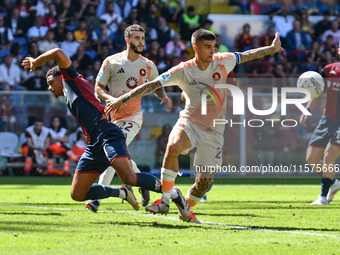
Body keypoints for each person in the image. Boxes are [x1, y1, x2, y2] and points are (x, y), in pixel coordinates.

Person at [105, 29, 282, 221]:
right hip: (189, 122)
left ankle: (186, 207)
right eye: (207, 47)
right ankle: (164, 201)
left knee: (203, 184)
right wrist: (122, 99)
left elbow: (248, 55)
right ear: (195, 48)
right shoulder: (184, 69)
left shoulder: (224, 60)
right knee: (173, 146)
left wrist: (272, 49)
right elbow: (153, 84)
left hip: (214, 131)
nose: (212, 51)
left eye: (213, 46)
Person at [22, 48, 191, 218]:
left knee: (129, 177)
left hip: (107, 133)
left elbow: (58, 52)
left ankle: (173, 193)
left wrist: (36, 62)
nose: (50, 88)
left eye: (51, 82)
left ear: (61, 75)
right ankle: (122, 194)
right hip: (94, 142)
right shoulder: (68, 92)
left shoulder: (71, 79)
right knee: (78, 193)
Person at [85, 24, 172, 213]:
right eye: (137, 38)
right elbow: (98, 88)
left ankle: (96, 200)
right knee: (117, 155)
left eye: (143, 38)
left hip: (133, 117)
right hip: (112, 118)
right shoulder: (111, 61)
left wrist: (163, 96)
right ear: (127, 40)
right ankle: (142, 181)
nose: (141, 41)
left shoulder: (148, 65)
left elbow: (156, 85)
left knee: (113, 154)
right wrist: (112, 99)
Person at [300, 43, 340, 205]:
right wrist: (307, 109)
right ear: (338, 50)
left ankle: (323, 197)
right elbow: (317, 93)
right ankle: (333, 182)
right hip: (326, 120)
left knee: (329, 156)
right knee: (311, 158)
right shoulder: (328, 69)